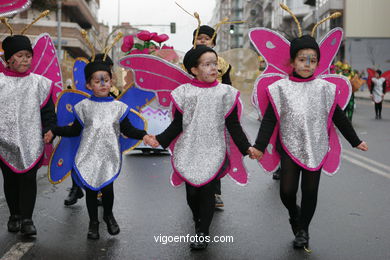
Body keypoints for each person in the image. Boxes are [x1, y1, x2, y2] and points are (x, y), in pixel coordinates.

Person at [252, 33, 368, 249]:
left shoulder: (325, 88)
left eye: (312, 60)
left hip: (316, 146)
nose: (307, 64)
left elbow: (338, 116)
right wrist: (259, 146)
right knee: (286, 191)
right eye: (302, 59)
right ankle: (294, 214)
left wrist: (355, 140)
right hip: (288, 145)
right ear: (293, 61)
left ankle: (303, 230)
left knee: (310, 191)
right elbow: (269, 119)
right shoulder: (279, 89)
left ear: (317, 63)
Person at [149, 45, 258, 249]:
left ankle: (203, 232)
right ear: (194, 69)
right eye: (207, 64)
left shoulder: (226, 93)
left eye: (215, 64)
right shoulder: (184, 93)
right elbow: (177, 123)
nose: (213, 68)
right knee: (192, 194)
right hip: (189, 148)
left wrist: (246, 148)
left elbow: (233, 125)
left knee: (207, 191)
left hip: (213, 149)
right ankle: (198, 221)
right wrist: (160, 140)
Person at [45, 59, 156, 240]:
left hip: (108, 156)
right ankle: (93, 223)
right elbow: (74, 130)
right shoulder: (83, 108)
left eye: (106, 80)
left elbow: (128, 129)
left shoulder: (118, 108)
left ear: (111, 81)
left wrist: (144, 135)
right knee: (91, 190)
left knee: (108, 189)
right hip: (87, 155)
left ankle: (108, 215)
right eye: (97, 81)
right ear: (89, 85)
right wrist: (55, 130)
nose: (103, 84)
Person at [0, 34, 56, 237]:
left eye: (28, 55)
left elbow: (48, 112)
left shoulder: (40, 84)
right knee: (11, 180)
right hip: (4, 142)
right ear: (8, 60)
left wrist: (50, 128)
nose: (25, 59)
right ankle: (14, 214)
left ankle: (27, 219)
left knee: (28, 179)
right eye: (19, 55)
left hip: (32, 140)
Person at [192, 25, 232, 208]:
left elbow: (230, 88)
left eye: (206, 38)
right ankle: (195, 186)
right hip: (193, 117)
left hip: (216, 115)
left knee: (216, 154)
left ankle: (215, 192)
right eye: (199, 37)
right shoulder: (188, 63)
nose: (202, 40)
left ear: (213, 42)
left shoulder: (223, 64)